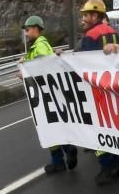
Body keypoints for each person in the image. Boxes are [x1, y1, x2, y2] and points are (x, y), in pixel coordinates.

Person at [77, 0, 119, 185]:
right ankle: (117, 163)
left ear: (95, 15)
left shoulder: (90, 36)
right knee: (115, 127)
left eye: (86, 15)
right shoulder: (116, 33)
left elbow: (82, 62)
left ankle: (107, 167)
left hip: (97, 90)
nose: (83, 18)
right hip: (116, 88)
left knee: (100, 130)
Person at [21, 15, 77, 174]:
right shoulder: (36, 46)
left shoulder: (40, 45)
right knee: (49, 127)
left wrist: (27, 70)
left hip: (45, 94)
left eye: (28, 29)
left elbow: (42, 67)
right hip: (43, 93)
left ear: (36, 29)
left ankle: (64, 153)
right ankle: (59, 158)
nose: (26, 33)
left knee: (50, 127)